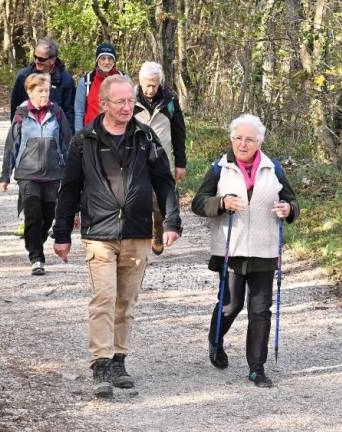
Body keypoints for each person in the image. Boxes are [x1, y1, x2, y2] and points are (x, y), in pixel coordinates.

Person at [53, 75, 182, 399]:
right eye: (120, 102)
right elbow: (69, 189)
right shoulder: (84, 141)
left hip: (137, 232)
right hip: (99, 232)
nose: (127, 107)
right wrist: (61, 233)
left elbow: (164, 181)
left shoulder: (144, 136)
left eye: (130, 101)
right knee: (104, 298)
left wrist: (171, 222)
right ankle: (101, 363)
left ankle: (119, 360)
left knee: (126, 301)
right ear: (104, 103)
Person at [191, 114, 299, 388]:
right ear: (231, 139)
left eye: (249, 139)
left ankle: (257, 368)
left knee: (260, 310)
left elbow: (291, 202)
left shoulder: (273, 168)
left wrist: (288, 210)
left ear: (259, 142)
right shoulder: (220, 168)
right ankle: (216, 340)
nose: (243, 143)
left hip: (264, 249)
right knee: (231, 304)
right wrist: (222, 202)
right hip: (231, 249)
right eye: (238, 138)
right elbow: (199, 203)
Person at [0, 73, 72, 275]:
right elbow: (11, 146)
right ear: (30, 91)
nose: (44, 95)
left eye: (47, 91)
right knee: (32, 212)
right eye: (40, 91)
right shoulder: (21, 113)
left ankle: (35, 242)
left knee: (48, 214)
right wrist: (5, 176)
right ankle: (37, 257)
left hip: (52, 172)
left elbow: (67, 143)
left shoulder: (57, 112)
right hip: (27, 173)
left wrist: (71, 174)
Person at [134, 61, 187, 255]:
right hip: (137, 158)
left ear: (160, 82)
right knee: (139, 197)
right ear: (140, 81)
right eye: (147, 84)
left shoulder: (170, 100)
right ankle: (141, 234)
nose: (150, 89)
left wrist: (180, 163)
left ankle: (157, 231)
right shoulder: (130, 99)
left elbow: (179, 132)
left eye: (154, 85)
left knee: (160, 200)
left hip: (162, 157)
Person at [10, 38, 75, 128]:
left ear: (52, 60)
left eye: (41, 59)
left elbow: (70, 113)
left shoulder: (66, 80)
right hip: (28, 131)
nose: (36, 61)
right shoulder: (23, 76)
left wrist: (68, 138)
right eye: (35, 57)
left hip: (55, 133)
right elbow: (15, 108)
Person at [73, 42, 125, 132]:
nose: (106, 62)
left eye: (110, 58)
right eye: (103, 58)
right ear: (97, 60)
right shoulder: (86, 82)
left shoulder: (124, 79)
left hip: (118, 133)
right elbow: (79, 112)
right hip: (92, 134)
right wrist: (79, 136)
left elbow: (131, 107)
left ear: (114, 61)